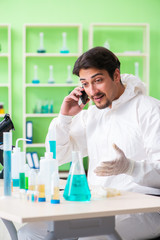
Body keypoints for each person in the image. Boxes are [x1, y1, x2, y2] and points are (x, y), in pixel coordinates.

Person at [18, 47, 160, 240]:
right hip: (98, 204)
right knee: (30, 231)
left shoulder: (149, 109)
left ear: (116, 75)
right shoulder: (92, 115)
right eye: (85, 84)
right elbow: (58, 157)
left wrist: (131, 167)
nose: (92, 91)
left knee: (88, 237)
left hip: (144, 209)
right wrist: (64, 118)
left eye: (98, 80)